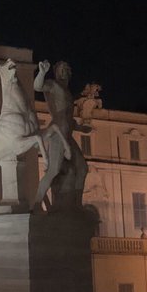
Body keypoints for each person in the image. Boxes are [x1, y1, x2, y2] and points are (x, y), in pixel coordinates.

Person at [33, 59, 89, 210]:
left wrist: (80, 128)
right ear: (56, 72)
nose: (63, 72)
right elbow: (37, 86)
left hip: (68, 134)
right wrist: (42, 72)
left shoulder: (68, 92)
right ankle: (36, 203)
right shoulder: (53, 85)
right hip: (58, 134)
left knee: (83, 168)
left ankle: (77, 204)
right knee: (53, 170)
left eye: (66, 69)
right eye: (61, 69)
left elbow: (69, 117)